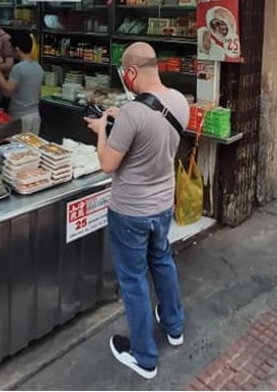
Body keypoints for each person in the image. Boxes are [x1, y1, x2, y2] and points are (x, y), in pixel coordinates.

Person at [84, 42, 189, 380]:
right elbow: (153, 131)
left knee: (133, 280)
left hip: (130, 211)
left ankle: (144, 357)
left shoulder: (133, 113)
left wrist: (101, 131)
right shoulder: (179, 100)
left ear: (130, 72)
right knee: (162, 260)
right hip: (162, 204)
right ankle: (174, 326)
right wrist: (121, 117)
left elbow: (107, 164)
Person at [0, 31, 44, 134]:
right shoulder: (39, 68)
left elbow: (8, 89)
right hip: (35, 115)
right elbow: (38, 94)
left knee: (18, 143)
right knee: (32, 143)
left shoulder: (18, 68)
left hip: (20, 117)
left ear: (17, 49)